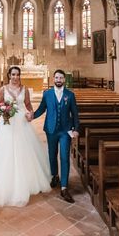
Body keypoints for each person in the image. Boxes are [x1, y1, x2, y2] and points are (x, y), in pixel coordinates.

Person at [0, 66, 51, 206]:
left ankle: (27, 181)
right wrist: (4, 109)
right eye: (13, 74)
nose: (15, 77)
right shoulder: (3, 89)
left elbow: (28, 104)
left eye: (17, 74)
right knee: (5, 151)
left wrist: (31, 113)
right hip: (7, 123)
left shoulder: (24, 89)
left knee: (24, 150)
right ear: (9, 75)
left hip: (22, 122)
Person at [29, 69, 80, 203]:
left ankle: (64, 187)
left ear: (64, 80)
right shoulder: (47, 94)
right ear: (53, 79)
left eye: (61, 78)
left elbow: (75, 113)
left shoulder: (70, 94)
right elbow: (41, 108)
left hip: (65, 131)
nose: (58, 80)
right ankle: (55, 175)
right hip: (51, 129)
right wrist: (32, 116)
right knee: (52, 155)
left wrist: (76, 129)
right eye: (56, 78)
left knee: (64, 157)